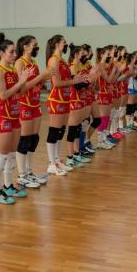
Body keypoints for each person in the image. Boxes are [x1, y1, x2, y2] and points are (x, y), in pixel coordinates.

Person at [0, 33, 33, 204]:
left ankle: (8, 186)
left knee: (11, 154)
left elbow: (19, 93)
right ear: (2, 53)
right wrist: (20, 81)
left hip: (15, 115)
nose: (15, 55)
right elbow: (3, 95)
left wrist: (24, 81)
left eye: (15, 52)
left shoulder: (13, 71)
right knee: (1, 155)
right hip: (2, 117)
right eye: (11, 52)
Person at [45, 35, 86, 175]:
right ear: (57, 44)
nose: (66, 44)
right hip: (56, 99)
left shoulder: (62, 60)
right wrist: (75, 81)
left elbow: (67, 79)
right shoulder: (53, 60)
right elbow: (56, 83)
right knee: (54, 131)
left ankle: (57, 161)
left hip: (65, 98)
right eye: (63, 42)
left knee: (60, 131)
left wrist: (78, 79)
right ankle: (51, 163)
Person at [14, 35, 51, 188]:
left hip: (35, 104)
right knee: (24, 140)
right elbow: (21, 88)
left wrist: (44, 79)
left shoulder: (34, 62)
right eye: (34, 45)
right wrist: (40, 78)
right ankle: (22, 175)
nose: (37, 47)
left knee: (33, 139)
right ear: (25, 47)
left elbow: (35, 83)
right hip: (24, 105)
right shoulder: (19, 63)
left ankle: (29, 172)